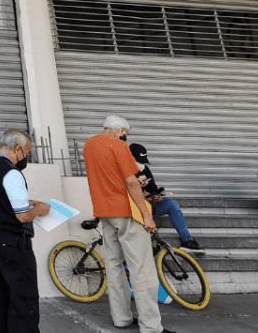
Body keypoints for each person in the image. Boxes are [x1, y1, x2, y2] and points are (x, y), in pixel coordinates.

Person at [83, 116, 175, 333]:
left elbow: (107, 176)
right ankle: (151, 326)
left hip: (104, 211)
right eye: (126, 133)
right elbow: (131, 182)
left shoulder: (90, 145)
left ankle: (121, 318)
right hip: (127, 212)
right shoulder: (120, 146)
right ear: (121, 130)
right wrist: (147, 215)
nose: (126, 137)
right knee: (141, 269)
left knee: (114, 266)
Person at [0, 129, 50, 333]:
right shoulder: (11, 173)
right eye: (27, 152)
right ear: (17, 148)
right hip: (12, 241)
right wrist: (39, 209)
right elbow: (23, 216)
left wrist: (27, 202)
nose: (26, 157)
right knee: (23, 296)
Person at [127, 143, 201, 252]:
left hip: (146, 206)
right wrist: (138, 195)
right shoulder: (122, 170)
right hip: (130, 210)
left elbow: (153, 188)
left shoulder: (144, 169)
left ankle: (187, 241)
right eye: (139, 161)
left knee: (172, 204)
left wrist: (157, 196)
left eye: (143, 162)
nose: (141, 165)